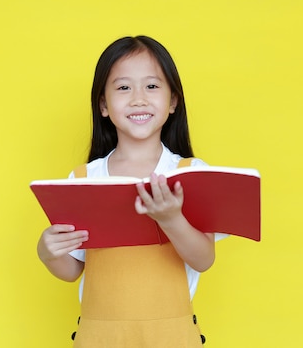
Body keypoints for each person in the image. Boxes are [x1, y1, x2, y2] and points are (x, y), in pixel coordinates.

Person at [37, 35, 222, 347]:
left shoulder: (192, 174)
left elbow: (203, 259)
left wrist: (171, 218)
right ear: (104, 105)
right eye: (123, 87)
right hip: (99, 337)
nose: (138, 98)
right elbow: (73, 270)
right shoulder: (83, 178)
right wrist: (47, 253)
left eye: (152, 86)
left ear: (173, 101)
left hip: (172, 338)